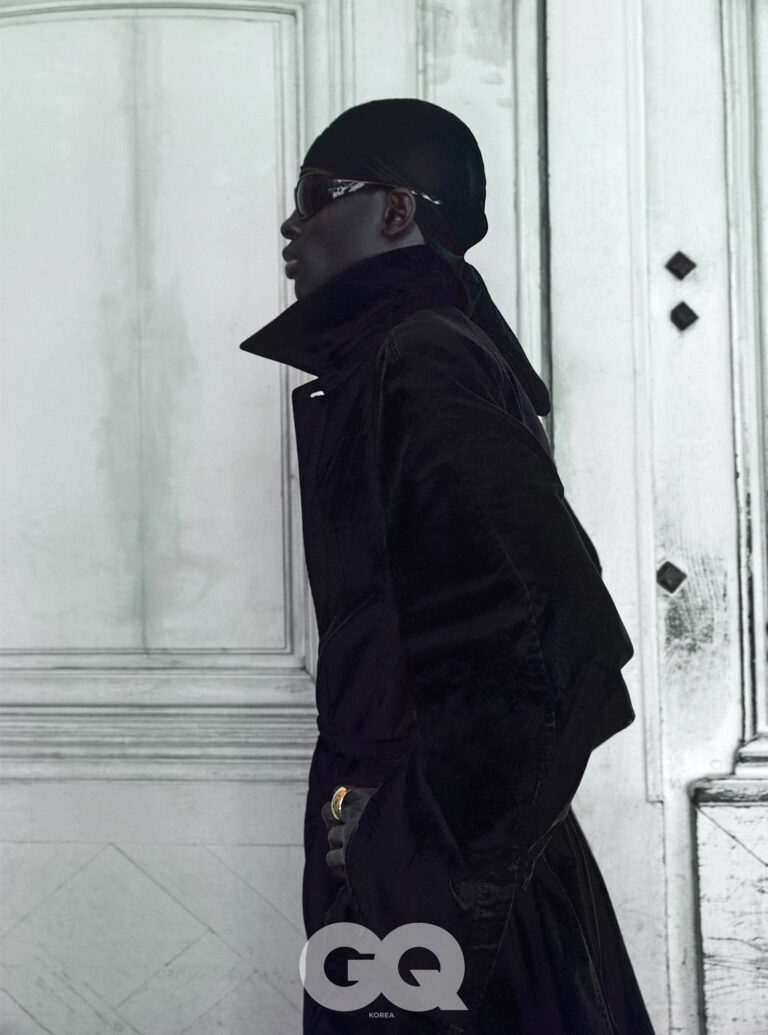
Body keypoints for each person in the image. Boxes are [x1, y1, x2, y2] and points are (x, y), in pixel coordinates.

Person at [240, 98, 655, 1034]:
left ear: (396, 209)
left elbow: (560, 652)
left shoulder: (421, 358)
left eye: (315, 194)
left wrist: (405, 846)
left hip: (437, 893)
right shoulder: (403, 357)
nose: (291, 225)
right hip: (418, 870)